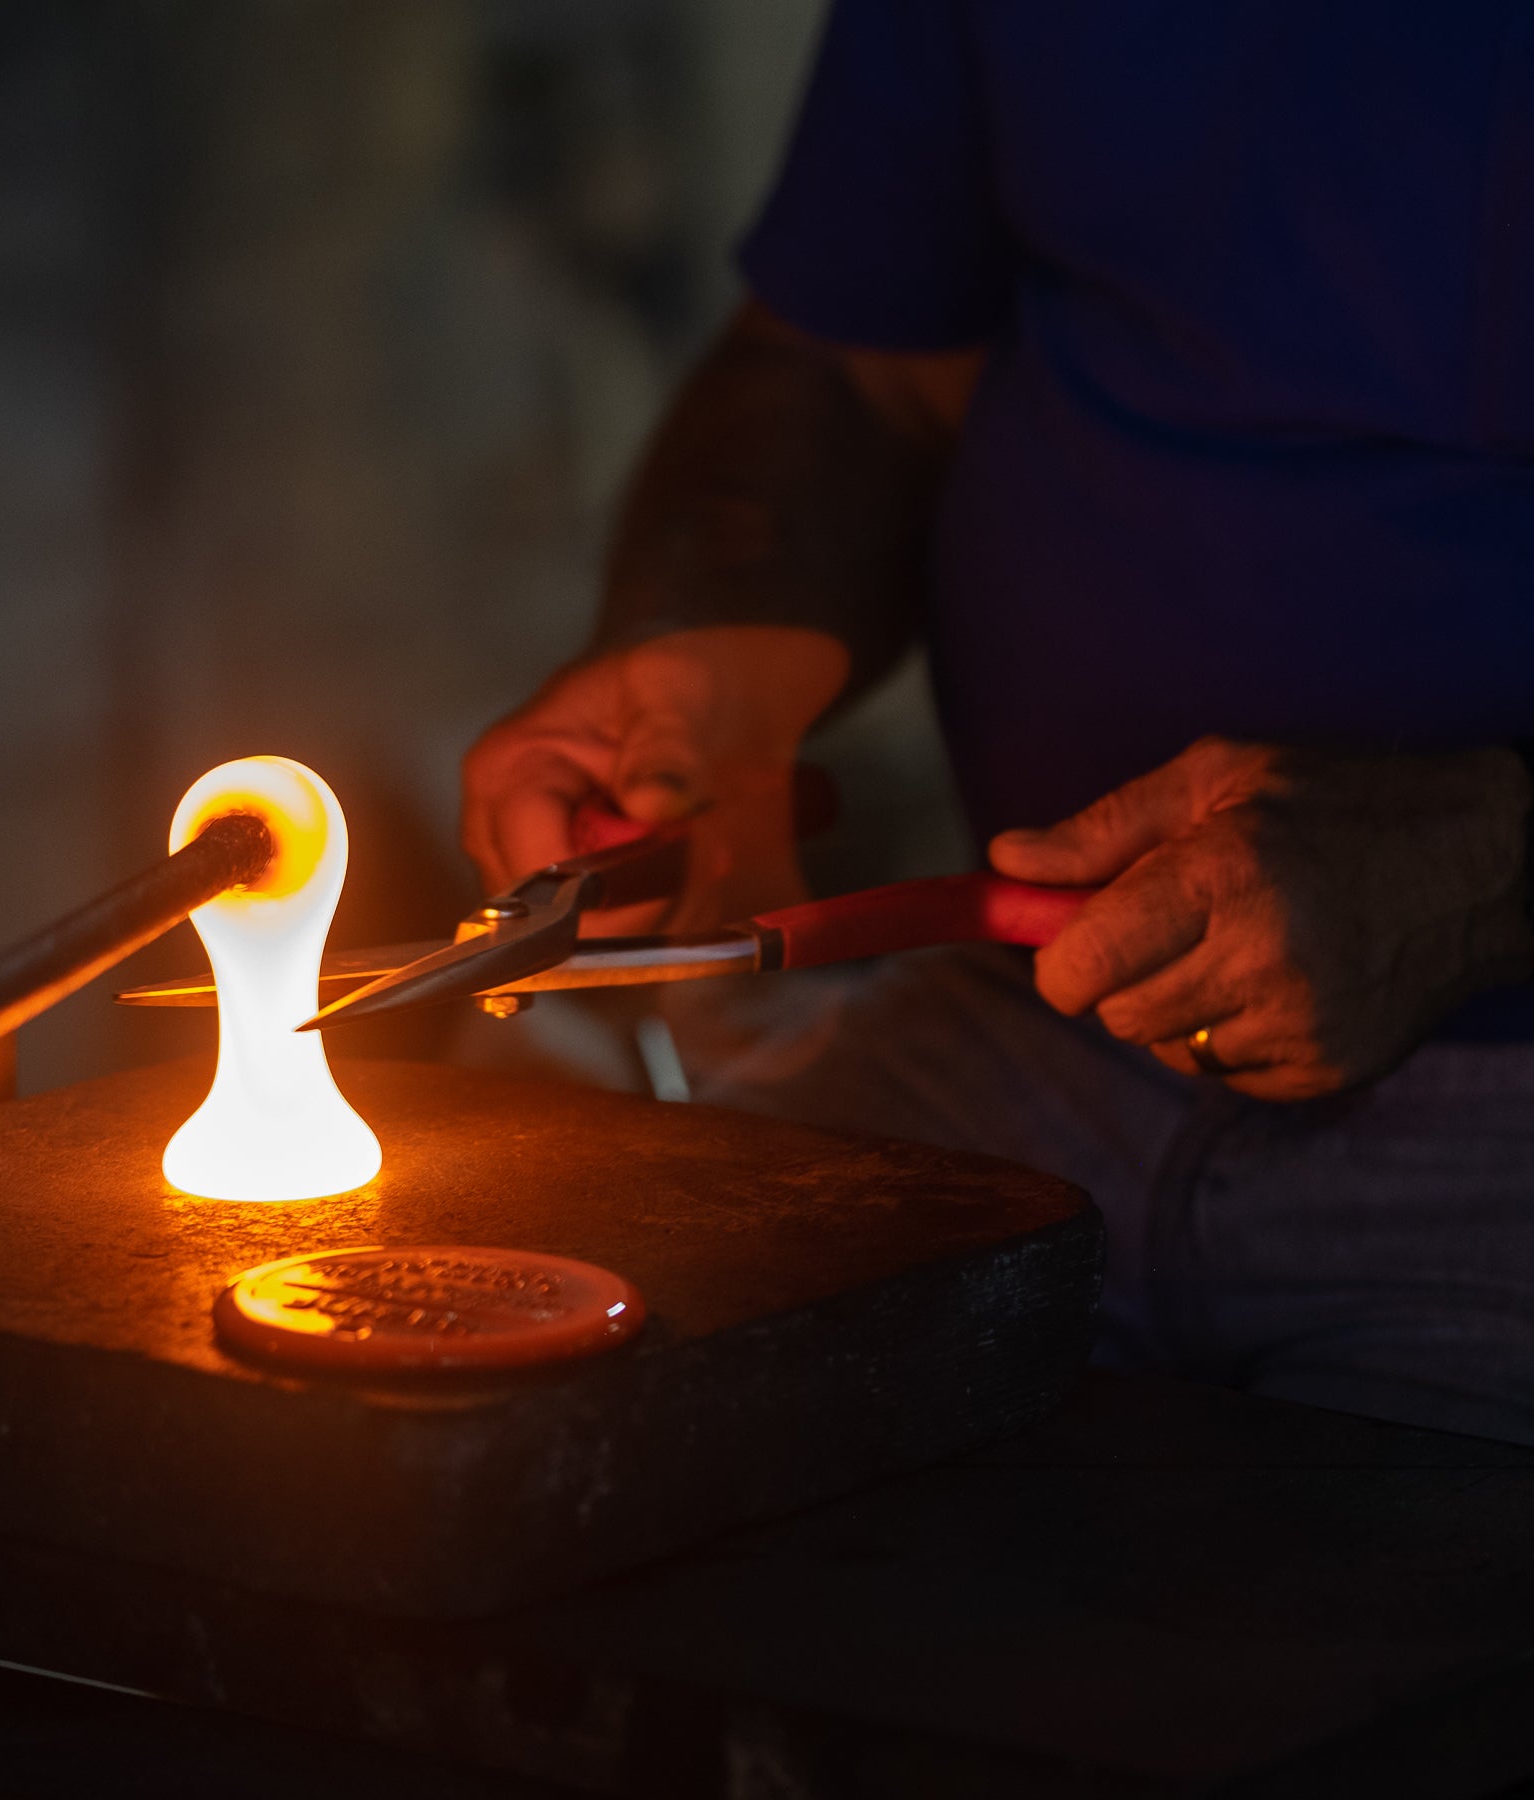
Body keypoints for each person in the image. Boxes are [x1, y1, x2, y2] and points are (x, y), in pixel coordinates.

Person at [461, 1, 1534, 1444]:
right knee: (568, 1431)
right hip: (1021, 1029)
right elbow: (858, 366)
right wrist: (709, 648)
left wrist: (1489, 866)